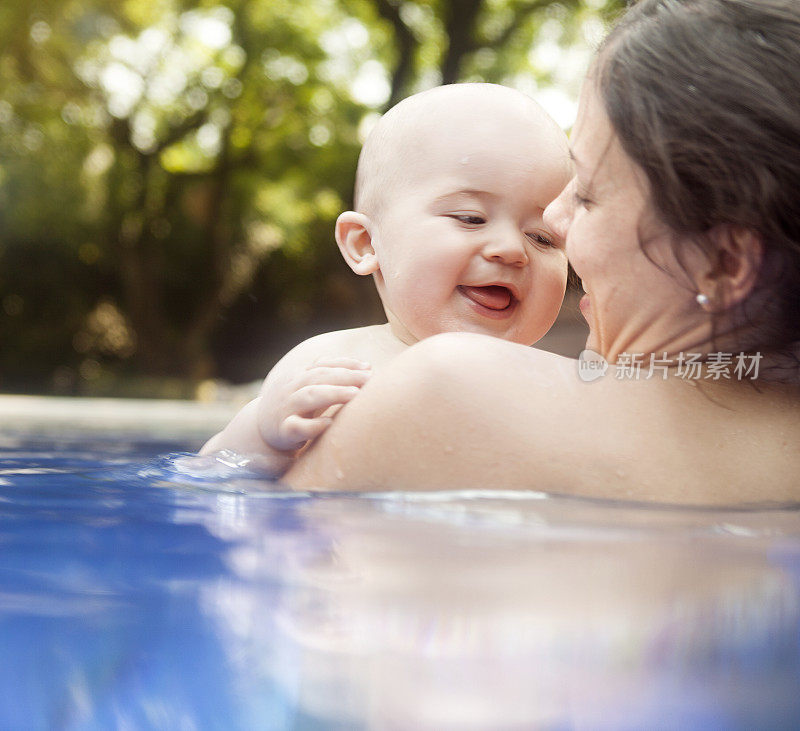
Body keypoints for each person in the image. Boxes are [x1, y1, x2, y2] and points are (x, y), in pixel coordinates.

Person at [285, 0, 800, 503]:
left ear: (724, 263)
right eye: (469, 218)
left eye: (588, 193)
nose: (556, 221)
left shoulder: (452, 392)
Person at [201, 83, 571, 473]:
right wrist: (263, 436)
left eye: (542, 237)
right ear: (365, 244)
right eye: (470, 218)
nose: (512, 249)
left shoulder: (551, 389)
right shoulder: (332, 367)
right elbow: (211, 473)